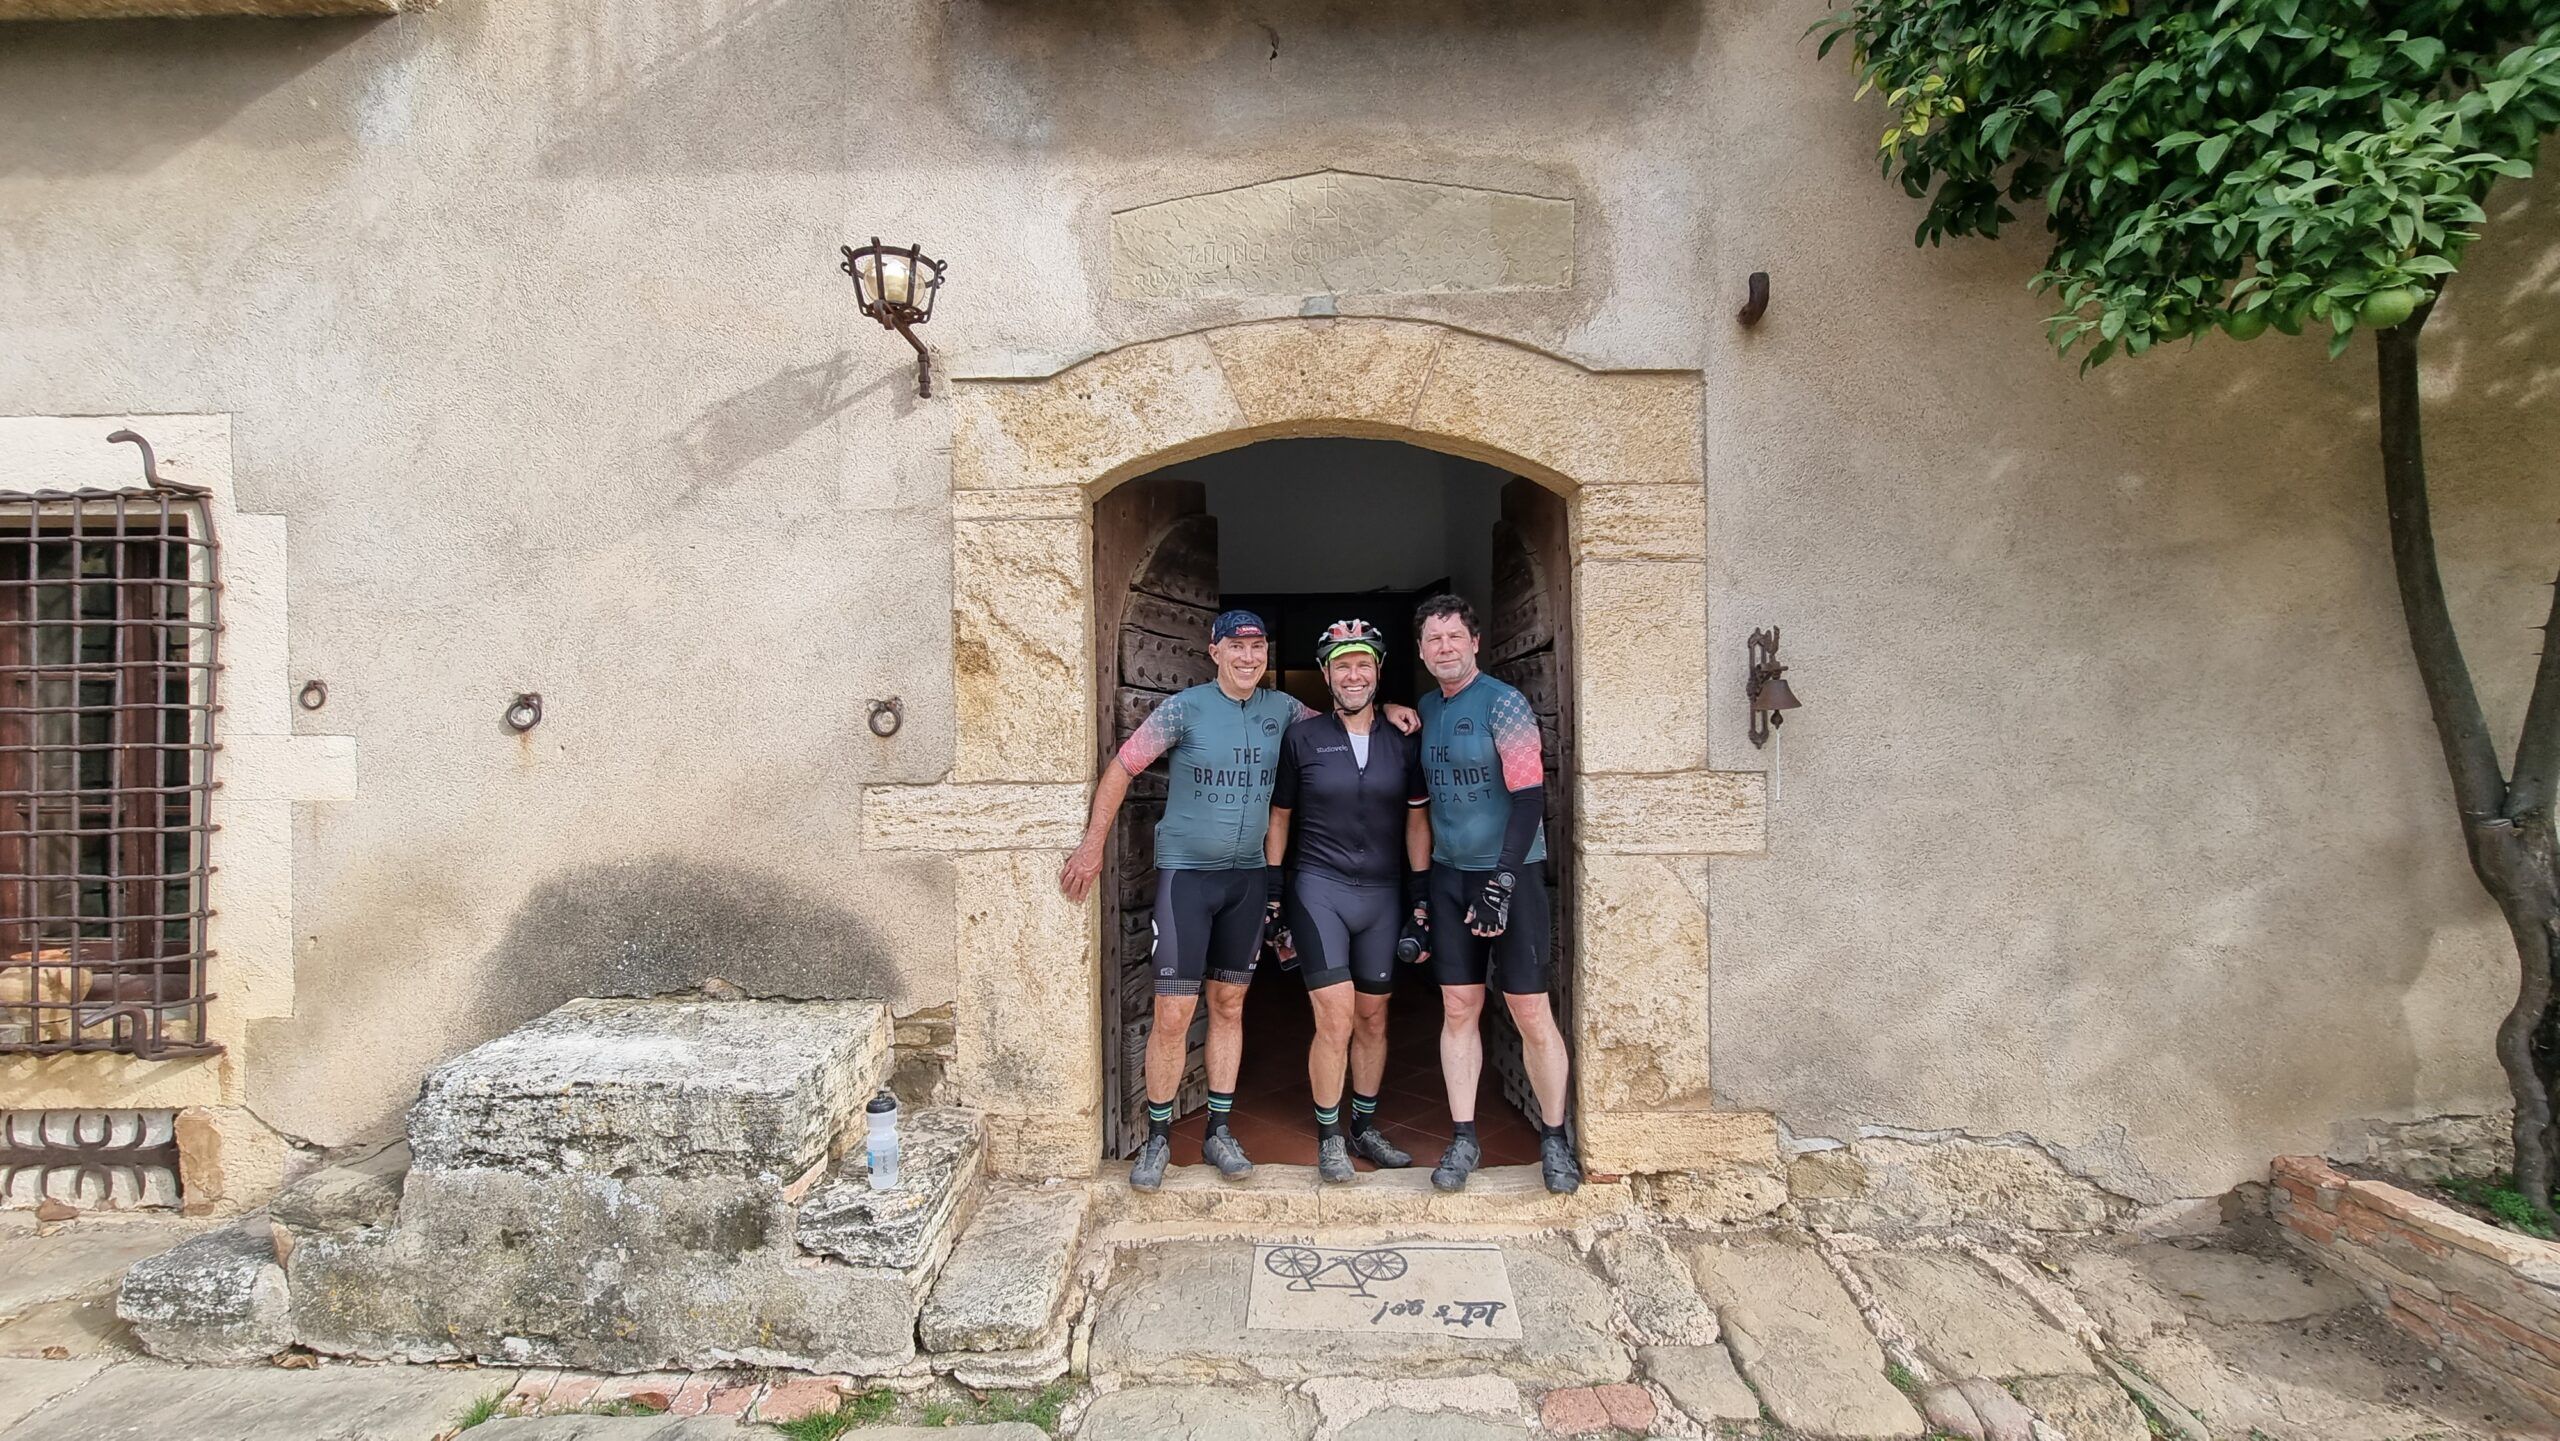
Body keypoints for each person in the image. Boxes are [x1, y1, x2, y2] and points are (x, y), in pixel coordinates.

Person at [1058, 609, 1417, 1192]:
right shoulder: (1186, 707)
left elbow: (1347, 714)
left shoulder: (1284, 711)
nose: (1249, 657)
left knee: (1229, 1007)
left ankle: (1219, 1131)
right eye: (1237, 646)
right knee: (1173, 1013)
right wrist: (1093, 847)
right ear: (1214, 651)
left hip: (1248, 880)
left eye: (1258, 647)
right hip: (1188, 879)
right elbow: (1124, 767)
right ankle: (1156, 1139)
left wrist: (1397, 705)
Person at [1412, 593, 1580, 1195]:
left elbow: (1530, 798)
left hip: (1512, 873)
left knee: (1529, 1009)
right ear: (1422, 649)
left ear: (1475, 642)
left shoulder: (1504, 705)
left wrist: (1503, 881)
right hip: (1451, 875)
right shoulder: (1428, 708)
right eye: (1434, 639)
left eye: (1455, 636)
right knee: (1459, 1007)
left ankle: (1554, 1140)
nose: (1445, 648)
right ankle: (1463, 1138)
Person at [1262, 619, 1433, 1184]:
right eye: (1342, 665)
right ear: (1328, 675)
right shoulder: (1303, 739)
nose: (1353, 675)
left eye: (1363, 665)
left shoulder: (1404, 738)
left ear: (1378, 673)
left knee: (1374, 1018)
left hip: (1383, 895)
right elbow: (1280, 816)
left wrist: (1420, 893)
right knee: (1334, 1019)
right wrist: (1273, 885)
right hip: (1320, 890)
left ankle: (1364, 1125)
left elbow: (1416, 821)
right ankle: (1330, 1135)